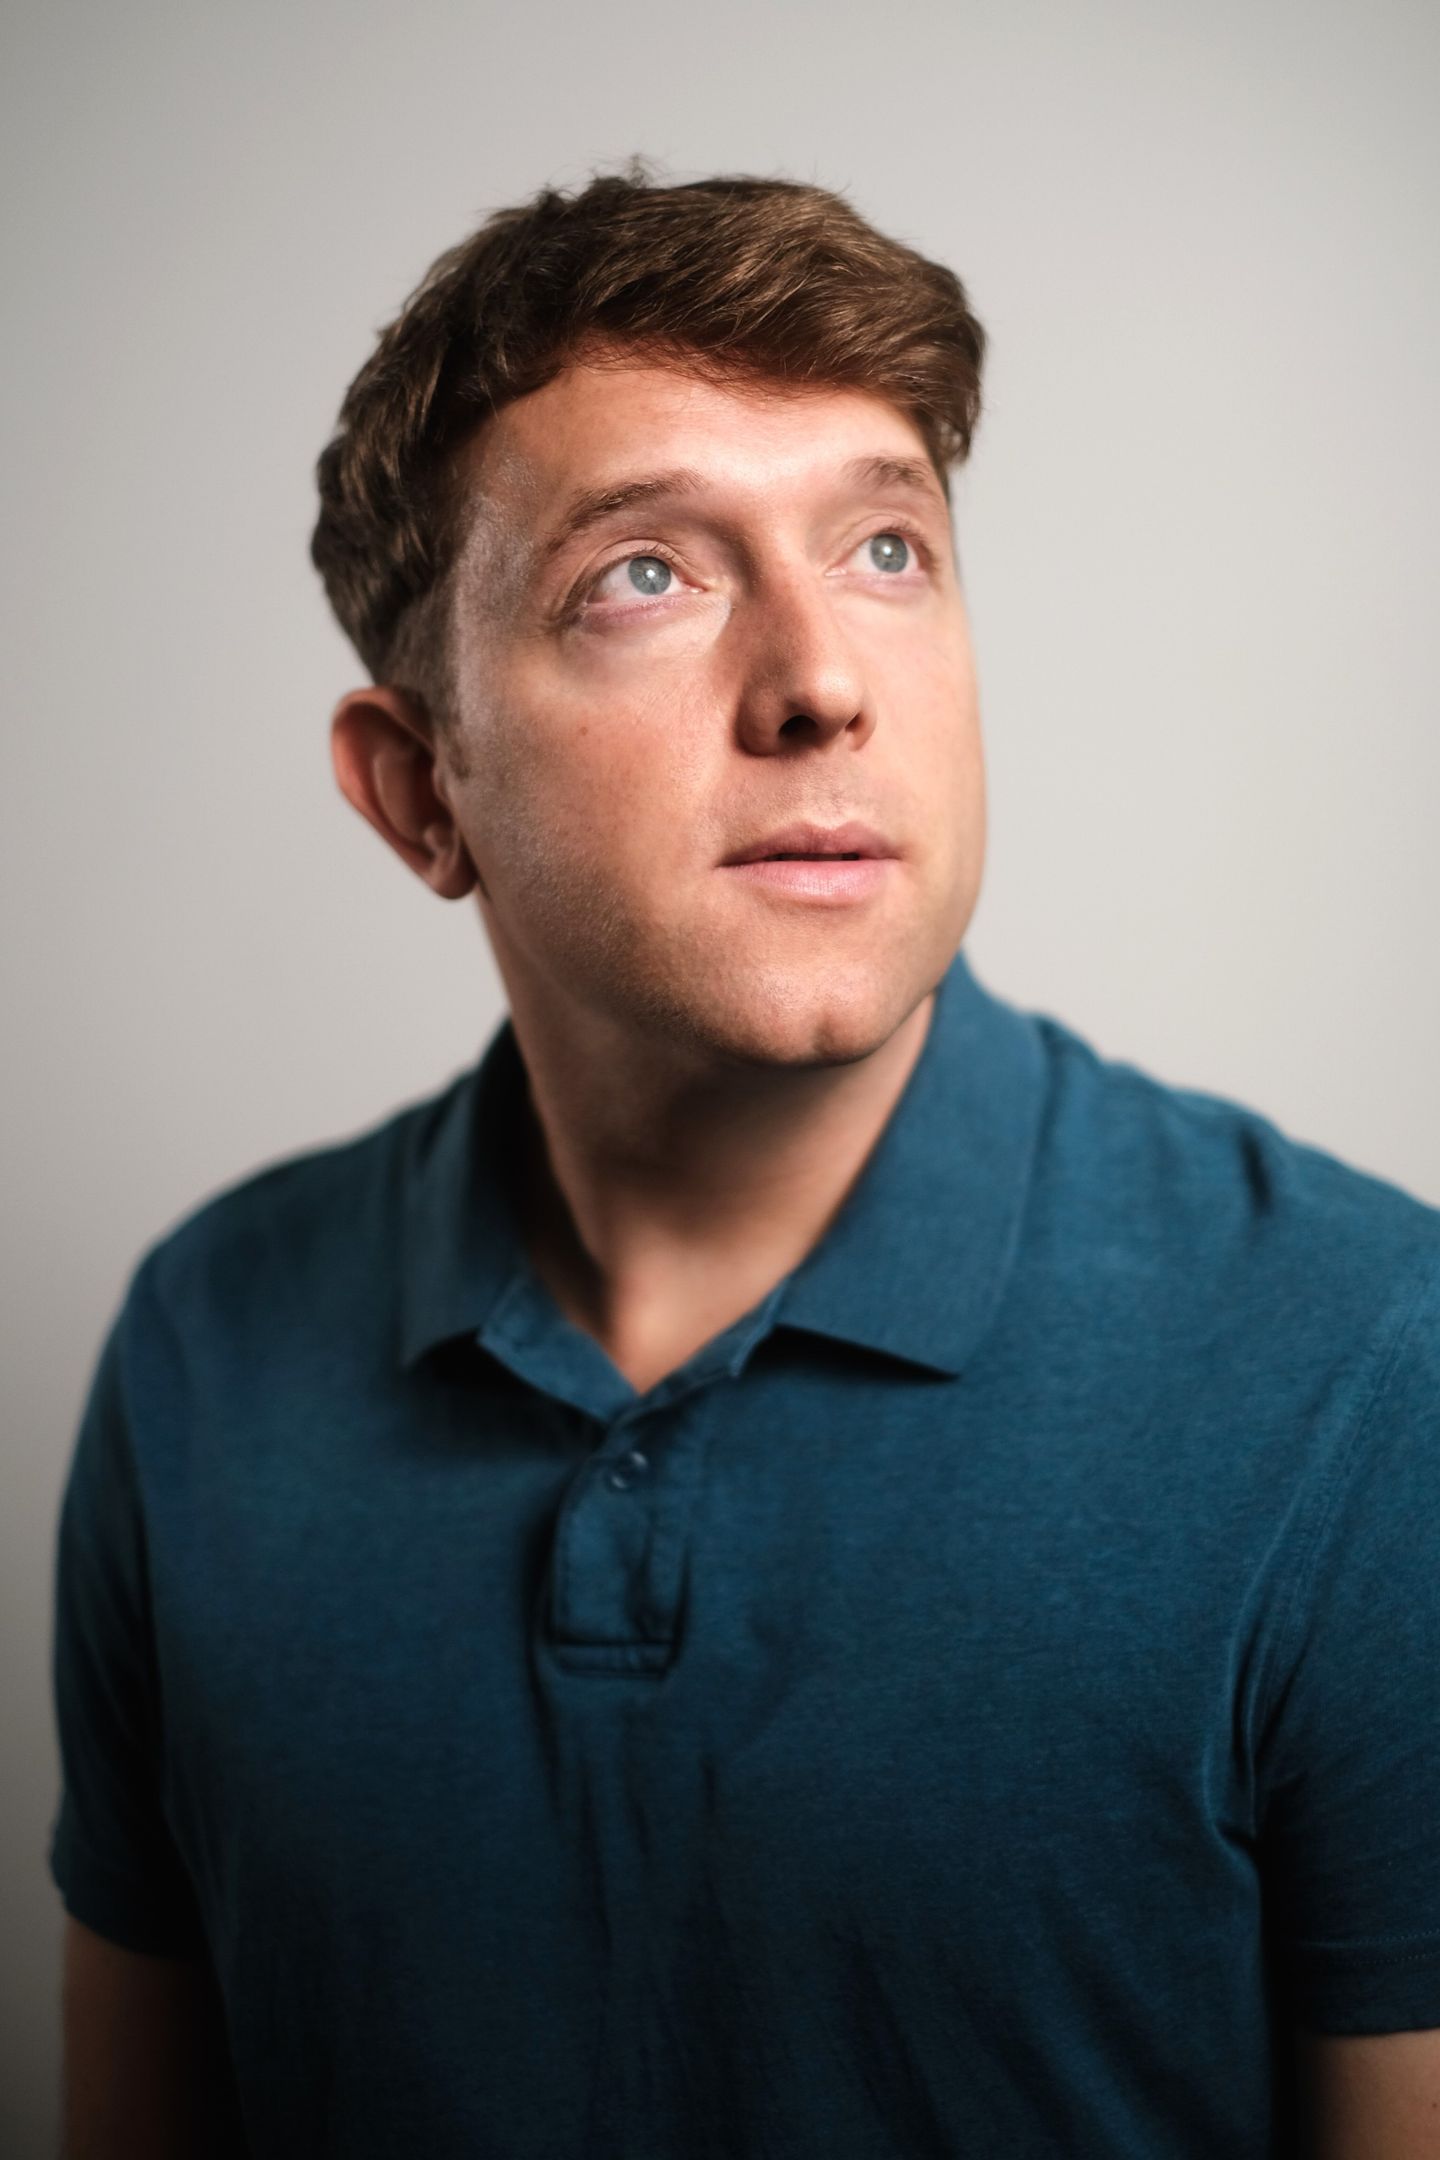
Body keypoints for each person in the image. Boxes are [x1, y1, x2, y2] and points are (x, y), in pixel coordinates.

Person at [48, 158, 1440, 2158]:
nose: (823, 682)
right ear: (421, 792)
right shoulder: (203, 1352)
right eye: (646, 576)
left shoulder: (1372, 1368)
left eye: (886, 547)